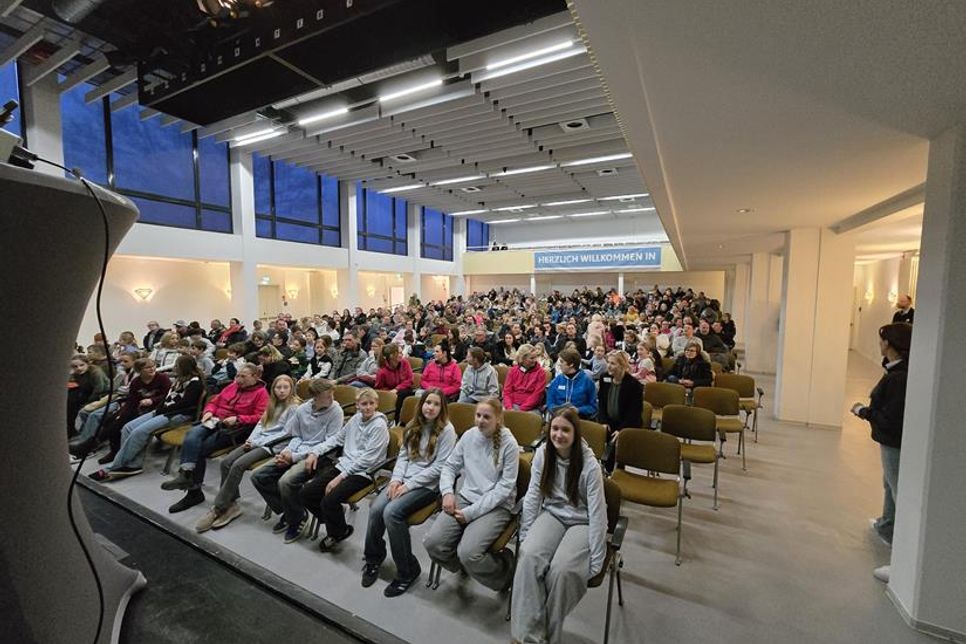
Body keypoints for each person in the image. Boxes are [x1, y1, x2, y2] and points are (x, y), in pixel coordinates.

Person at [510, 406, 607, 644]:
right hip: (552, 514)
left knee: (563, 572)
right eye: (554, 429)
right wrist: (526, 533)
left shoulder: (589, 465)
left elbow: (597, 514)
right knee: (529, 557)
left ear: (575, 433)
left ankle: (547, 636)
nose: (558, 435)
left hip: (581, 521)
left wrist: (596, 560)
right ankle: (526, 637)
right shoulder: (543, 454)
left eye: (565, 430)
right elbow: (533, 495)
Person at [362, 389, 456, 597]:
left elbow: (439, 467)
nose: (430, 407)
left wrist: (408, 485)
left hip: (427, 486)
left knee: (391, 513)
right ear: (421, 404)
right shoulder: (414, 424)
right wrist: (395, 480)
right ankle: (373, 558)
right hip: (404, 480)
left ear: (442, 408)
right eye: (427, 403)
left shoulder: (447, 430)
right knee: (376, 508)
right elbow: (403, 457)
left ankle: (407, 570)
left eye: (435, 404)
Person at [423, 398, 519, 592]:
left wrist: (471, 513)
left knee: (469, 554)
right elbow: (449, 466)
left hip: (496, 506)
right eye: (478, 415)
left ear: (498, 419)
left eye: (486, 417)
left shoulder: (509, 444)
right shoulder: (469, 436)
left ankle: (505, 574)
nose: (480, 420)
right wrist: (448, 493)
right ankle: (465, 567)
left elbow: (504, 489)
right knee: (433, 544)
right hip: (466, 498)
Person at [195, 374, 301, 532]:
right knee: (226, 462)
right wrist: (250, 440)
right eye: (278, 387)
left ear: (291, 389)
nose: (281, 391)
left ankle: (218, 507)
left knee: (238, 465)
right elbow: (260, 424)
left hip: (273, 446)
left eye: (285, 387)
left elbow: (286, 433)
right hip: (258, 441)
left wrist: (257, 442)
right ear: (274, 389)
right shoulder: (272, 404)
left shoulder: (294, 407)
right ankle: (232, 504)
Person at [161, 363, 269, 514]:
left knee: (200, 449)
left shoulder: (261, 394)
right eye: (237, 375)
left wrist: (238, 418)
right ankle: (185, 474)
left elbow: (260, 418)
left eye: (243, 376)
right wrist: (208, 411)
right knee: (191, 436)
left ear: (256, 377)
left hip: (233, 429)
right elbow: (214, 401)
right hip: (213, 420)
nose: (238, 379)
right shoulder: (232, 386)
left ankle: (194, 491)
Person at [851, 322, 911, 584]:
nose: (879, 343)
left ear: (890, 344)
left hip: (894, 440)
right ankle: (886, 524)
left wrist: (864, 412)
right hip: (891, 440)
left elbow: (890, 417)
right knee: (889, 484)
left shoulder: (900, 377)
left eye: (882, 339)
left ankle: (903, 560)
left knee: (899, 490)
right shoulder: (897, 371)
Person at [251, 378, 344, 543]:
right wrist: (287, 451)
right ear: (315, 397)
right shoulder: (302, 410)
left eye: (332, 394)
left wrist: (294, 457)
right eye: (327, 396)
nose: (332, 398)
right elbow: (296, 436)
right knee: (257, 475)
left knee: (285, 481)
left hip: (320, 456)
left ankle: (296, 517)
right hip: (297, 451)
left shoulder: (336, 411)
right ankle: (292, 510)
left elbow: (330, 442)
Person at [302, 388, 391, 552]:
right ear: (357, 405)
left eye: (372, 404)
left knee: (329, 500)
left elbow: (368, 459)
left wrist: (340, 477)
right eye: (364, 404)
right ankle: (334, 518)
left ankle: (337, 532)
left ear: (377, 404)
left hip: (364, 472)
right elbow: (337, 439)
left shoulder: (379, 425)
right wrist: (315, 451)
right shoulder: (356, 419)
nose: (368, 407)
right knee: (307, 493)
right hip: (344, 465)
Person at [88, 355, 204, 480]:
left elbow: (185, 404)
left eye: (177, 366)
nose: (174, 368)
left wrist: (160, 410)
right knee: (127, 427)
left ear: (184, 368)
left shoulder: (195, 383)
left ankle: (115, 466)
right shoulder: (179, 379)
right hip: (164, 411)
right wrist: (158, 409)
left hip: (178, 415)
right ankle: (134, 464)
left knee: (139, 432)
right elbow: (167, 398)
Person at [98, 358, 172, 464]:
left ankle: (102, 444)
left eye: (153, 366)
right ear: (139, 370)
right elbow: (131, 401)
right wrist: (121, 413)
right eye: (147, 367)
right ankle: (114, 451)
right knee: (113, 421)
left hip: (156, 409)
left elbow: (167, 396)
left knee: (124, 425)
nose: (152, 369)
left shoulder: (162, 378)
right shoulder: (136, 382)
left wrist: (152, 400)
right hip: (139, 408)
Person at [597, 351, 645, 472]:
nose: (608, 366)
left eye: (613, 363)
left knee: (615, 442)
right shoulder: (604, 378)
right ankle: (604, 471)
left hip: (626, 424)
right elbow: (601, 403)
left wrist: (621, 430)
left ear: (623, 365)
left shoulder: (634, 385)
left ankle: (616, 471)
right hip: (608, 421)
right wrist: (603, 421)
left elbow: (634, 413)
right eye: (608, 362)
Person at [66, 354, 111, 439]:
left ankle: (86, 436)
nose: (79, 368)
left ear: (87, 364)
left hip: (102, 396)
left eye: (82, 365)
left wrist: (86, 403)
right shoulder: (77, 373)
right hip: (87, 393)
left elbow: (99, 389)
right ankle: (71, 429)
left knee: (75, 404)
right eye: (75, 366)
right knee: (69, 401)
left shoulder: (96, 372)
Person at [546, 349, 597, 419]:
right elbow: (550, 402)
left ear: (571, 364)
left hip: (579, 419)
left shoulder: (587, 382)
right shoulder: (556, 381)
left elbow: (593, 407)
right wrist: (557, 411)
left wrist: (578, 410)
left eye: (562, 362)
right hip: (558, 418)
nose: (559, 364)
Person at [375, 343, 415, 419]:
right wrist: (390, 392)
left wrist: (396, 389)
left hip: (404, 390)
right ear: (391, 356)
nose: (402, 354)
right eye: (399, 353)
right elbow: (379, 388)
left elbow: (410, 380)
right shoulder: (382, 371)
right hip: (389, 394)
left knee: (404, 393)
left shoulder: (405, 363)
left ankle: (400, 419)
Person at [503, 344, 547, 413]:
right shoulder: (513, 371)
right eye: (531, 358)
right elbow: (507, 392)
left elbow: (537, 395)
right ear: (522, 358)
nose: (535, 360)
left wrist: (521, 410)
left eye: (536, 357)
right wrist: (509, 408)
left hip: (531, 407)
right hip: (512, 404)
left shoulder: (541, 372)